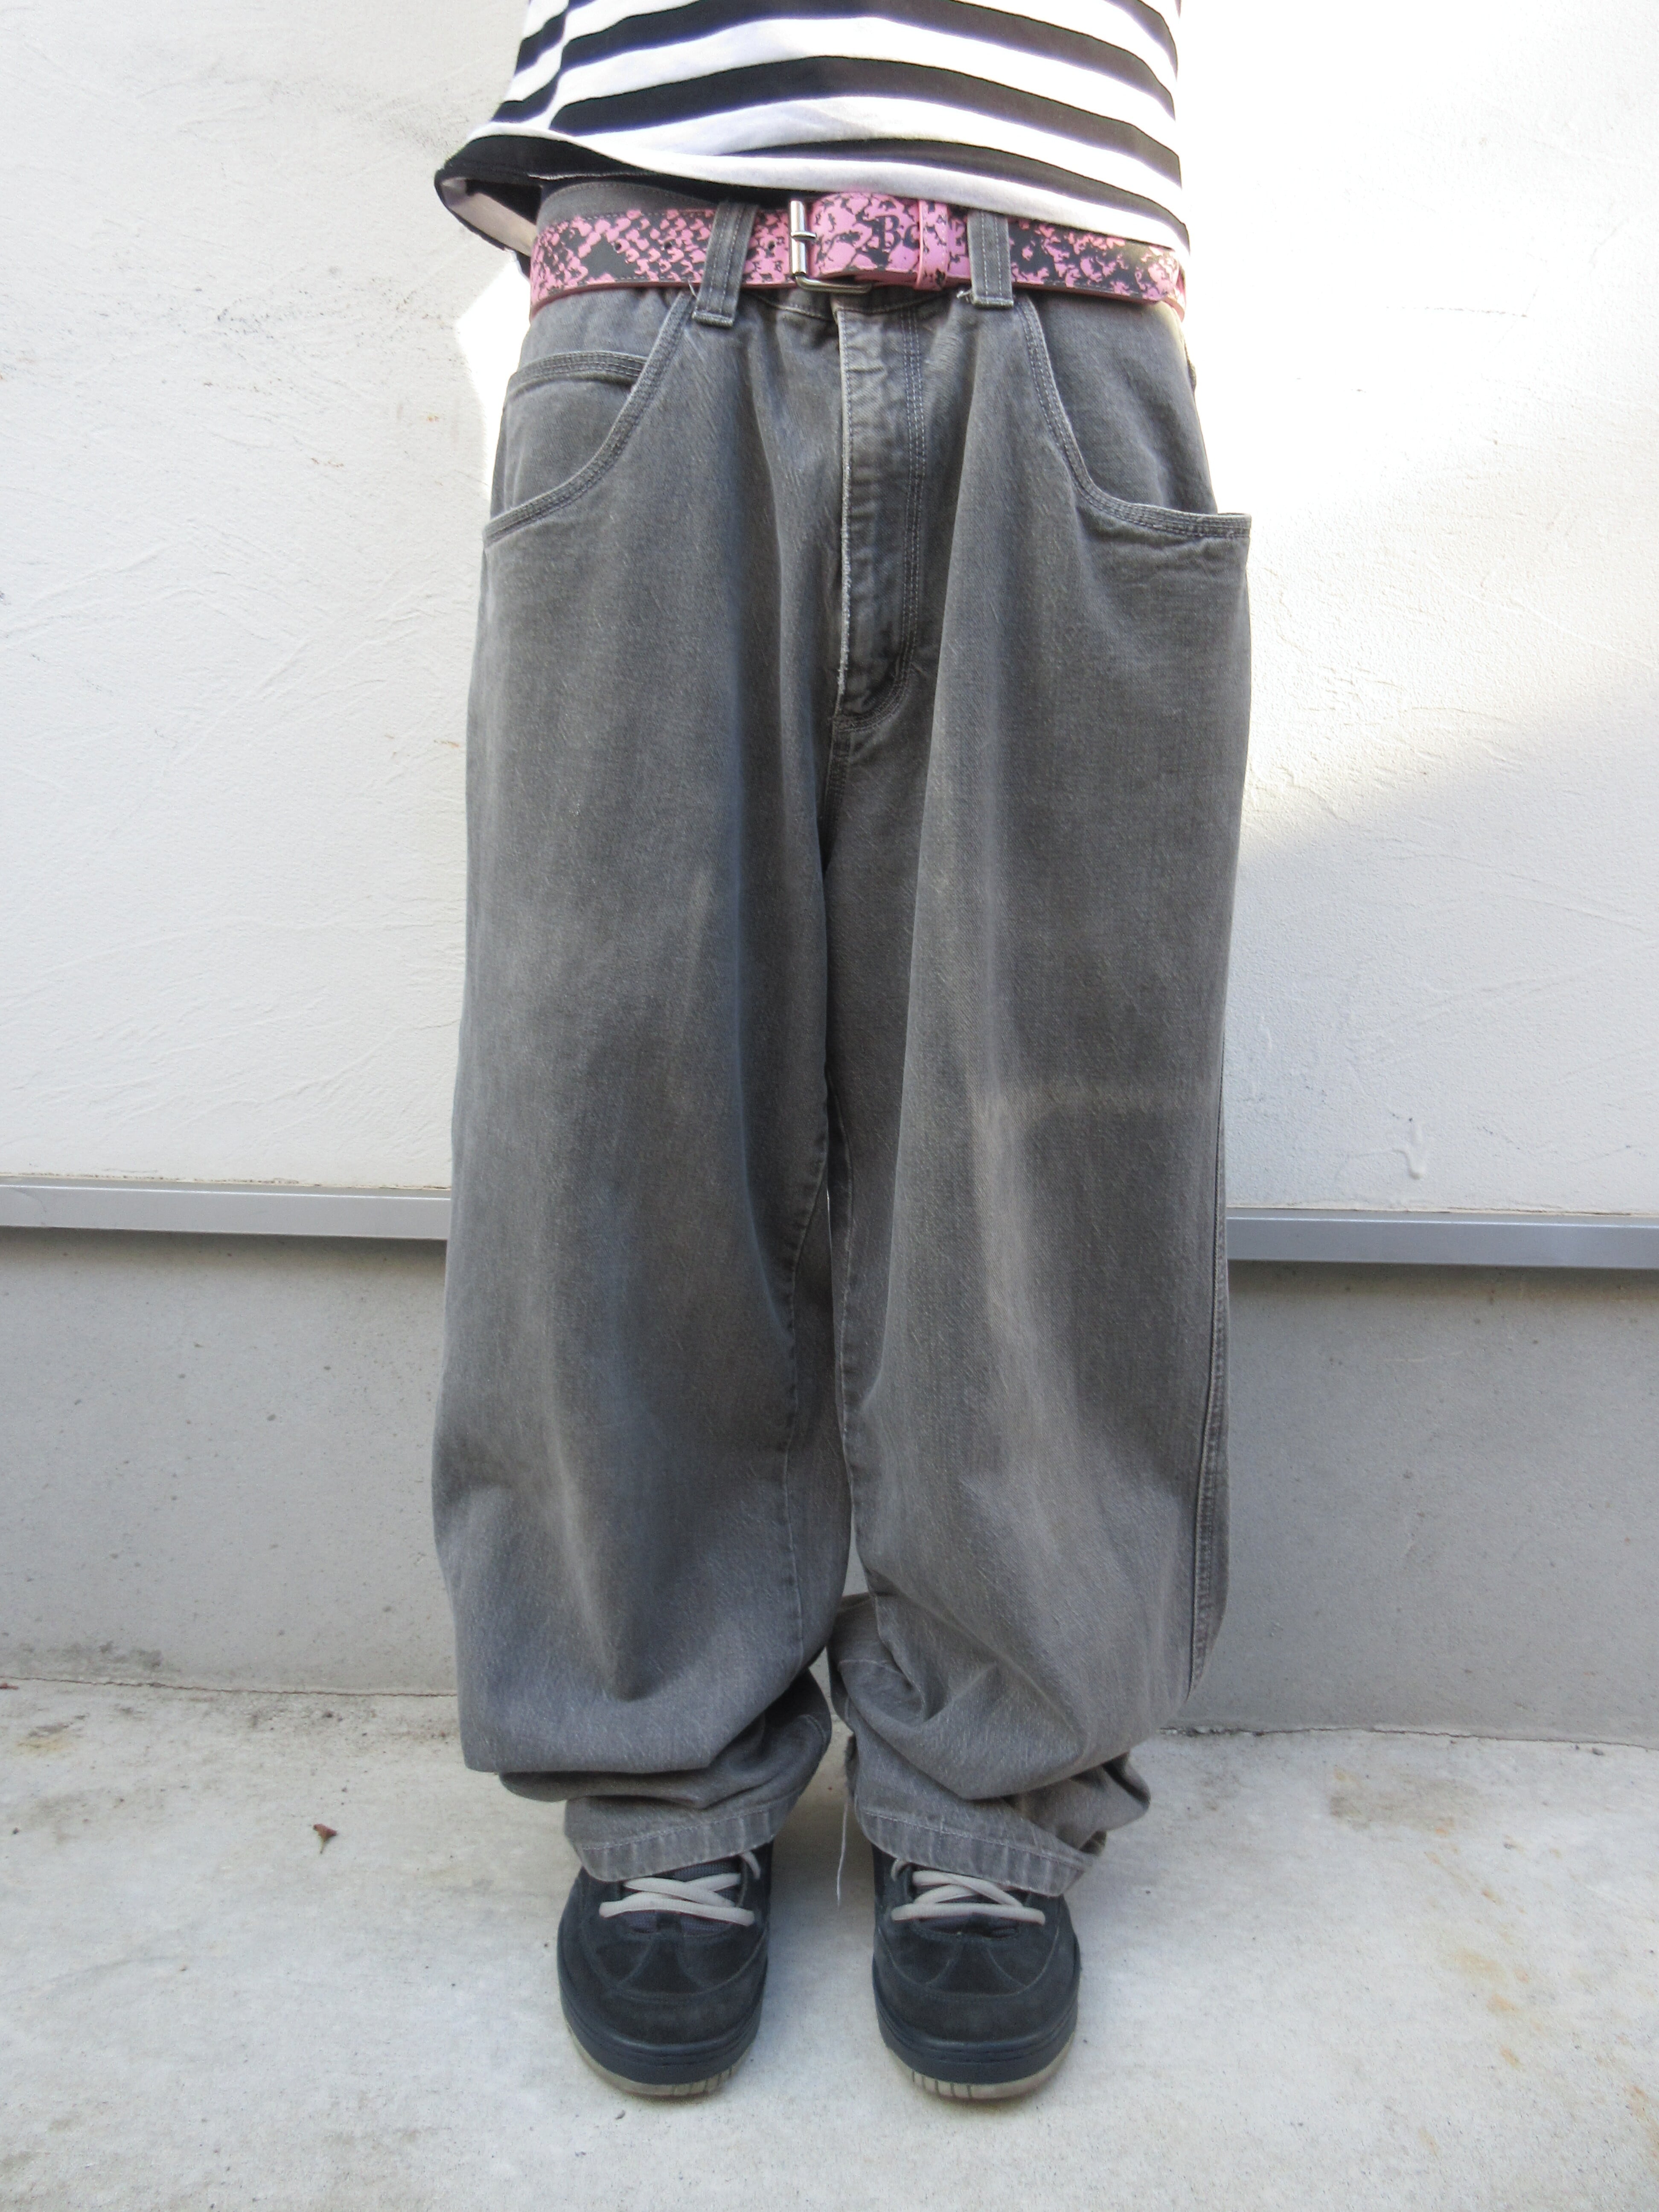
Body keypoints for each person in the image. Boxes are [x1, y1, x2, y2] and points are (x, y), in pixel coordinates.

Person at [431, 0, 1250, 2103]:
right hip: (650, 293)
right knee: (610, 1080)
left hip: (1058, 296)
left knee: (1046, 1098)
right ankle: (660, 1774)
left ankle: (994, 1783)